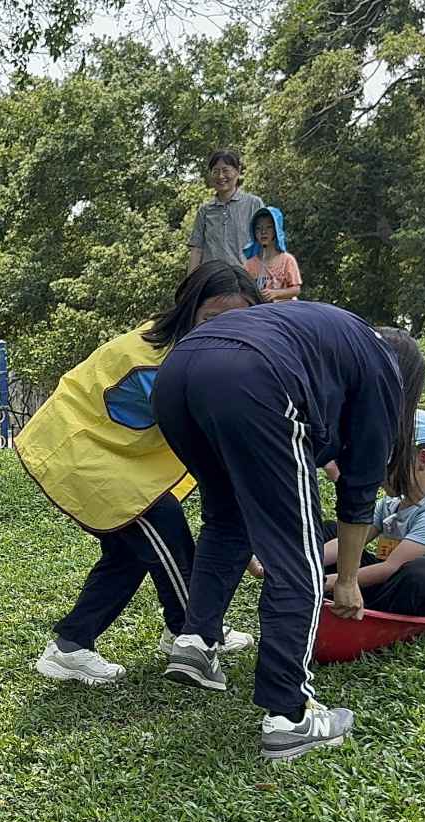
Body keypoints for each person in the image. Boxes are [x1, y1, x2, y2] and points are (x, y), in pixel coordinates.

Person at [152, 299, 425, 762]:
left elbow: (313, 430)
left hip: (176, 378)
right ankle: (290, 716)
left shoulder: (334, 338)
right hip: (255, 380)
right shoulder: (383, 372)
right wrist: (346, 581)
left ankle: (196, 641)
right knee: (295, 554)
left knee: (227, 515)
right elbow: (359, 492)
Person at [21, 264, 258, 686]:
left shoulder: (183, 347)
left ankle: (71, 646)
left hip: (111, 454)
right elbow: (203, 434)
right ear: (189, 309)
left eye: (238, 319)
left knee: (128, 552)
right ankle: (192, 632)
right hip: (83, 450)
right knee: (164, 532)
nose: (225, 330)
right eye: (212, 319)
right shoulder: (162, 361)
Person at [320, 410, 425, 619]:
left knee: (421, 573)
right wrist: (305, 563)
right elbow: (353, 541)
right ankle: (358, 603)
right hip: (386, 586)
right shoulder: (390, 503)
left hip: (416, 595)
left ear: (422, 460)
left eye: (385, 464)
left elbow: (391, 567)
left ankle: (353, 602)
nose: (377, 473)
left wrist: (328, 581)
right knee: (333, 532)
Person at [188, 150, 265, 272]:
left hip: (245, 280)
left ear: (238, 171)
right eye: (215, 171)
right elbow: (197, 250)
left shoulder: (254, 204)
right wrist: (190, 285)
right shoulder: (205, 210)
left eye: (225, 170)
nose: (220, 176)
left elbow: (265, 244)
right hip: (212, 280)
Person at [242, 207, 302, 302]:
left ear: (276, 230)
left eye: (268, 227)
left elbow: (296, 290)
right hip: (260, 312)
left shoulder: (287, 260)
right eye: (258, 228)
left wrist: (275, 293)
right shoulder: (249, 265)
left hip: (283, 312)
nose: (263, 232)